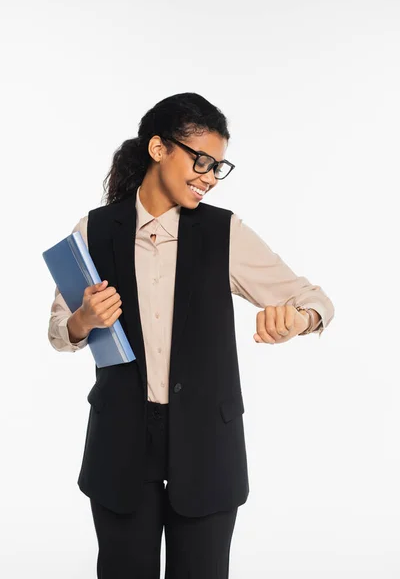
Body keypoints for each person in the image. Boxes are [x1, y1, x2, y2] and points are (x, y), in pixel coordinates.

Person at [47, 92, 334, 578]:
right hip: (121, 443)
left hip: (206, 444)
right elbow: (59, 330)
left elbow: (314, 299)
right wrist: (83, 320)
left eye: (218, 167)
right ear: (159, 149)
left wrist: (296, 322)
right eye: (201, 160)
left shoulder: (225, 233)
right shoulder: (95, 229)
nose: (208, 176)